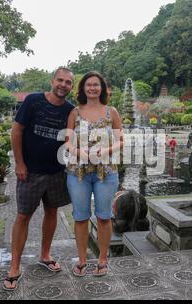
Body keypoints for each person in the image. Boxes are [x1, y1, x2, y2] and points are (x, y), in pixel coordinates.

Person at [3, 67, 75, 291]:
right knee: (23, 215)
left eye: (68, 82)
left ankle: (45, 254)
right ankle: (15, 266)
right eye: (60, 80)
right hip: (30, 171)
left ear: (71, 87)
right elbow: (16, 132)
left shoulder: (71, 110)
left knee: (52, 212)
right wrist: (19, 163)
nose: (63, 85)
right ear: (52, 81)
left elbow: (73, 138)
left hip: (56, 171)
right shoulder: (33, 101)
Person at [65, 71, 123, 277]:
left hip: (106, 172)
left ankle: (103, 259)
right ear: (82, 88)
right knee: (80, 217)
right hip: (77, 172)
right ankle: (82, 260)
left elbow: (120, 140)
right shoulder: (75, 112)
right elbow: (67, 141)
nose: (92, 88)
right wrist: (78, 151)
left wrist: (105, 151)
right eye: (88, 85)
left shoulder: (111, 112)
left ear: (102, 88)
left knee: (104, 217)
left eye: (96, 85)